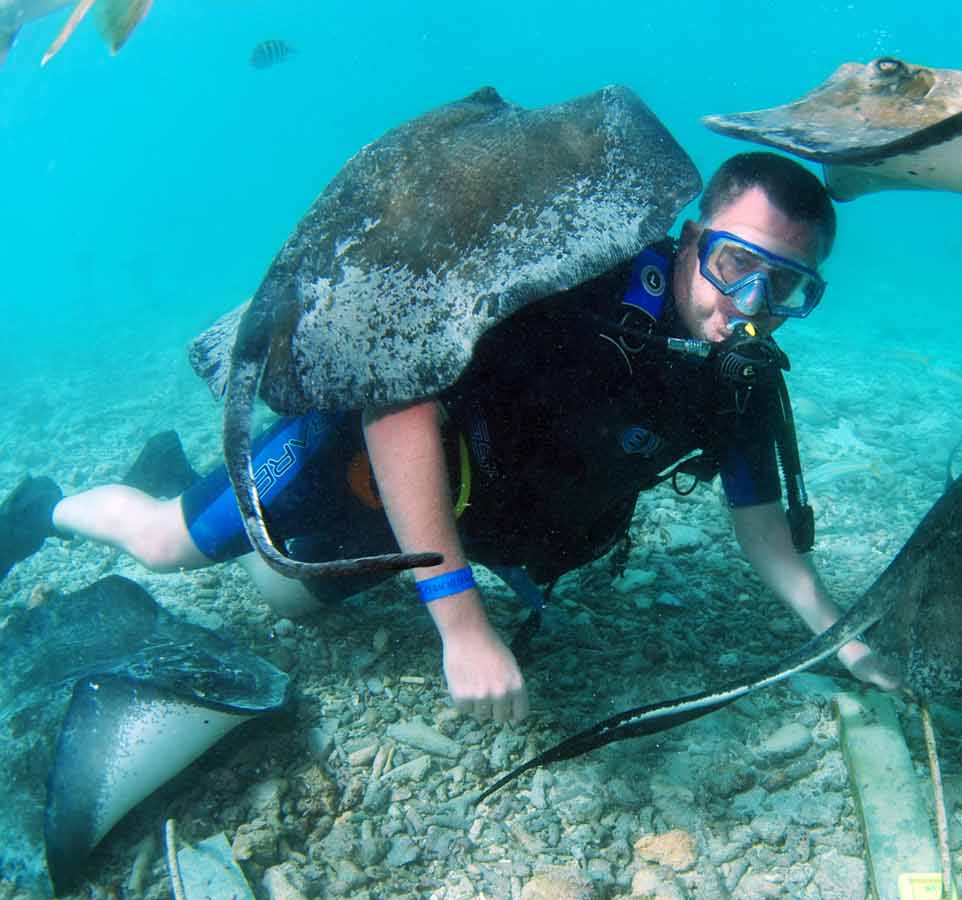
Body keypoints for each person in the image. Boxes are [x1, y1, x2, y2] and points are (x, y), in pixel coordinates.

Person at [0, 152, 903, 723]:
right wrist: (463, 628)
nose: (749, 307)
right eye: (736, 265)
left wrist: (842, 638)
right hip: (354, 458)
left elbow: (765, 533)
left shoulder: (737, 380)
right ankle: (49, 507)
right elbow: (396, 405)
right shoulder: (573, 289)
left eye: (786, 290)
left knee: (289, 597)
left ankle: (211, 499)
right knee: (165, 544)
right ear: (690, 236)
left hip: (458, 517)